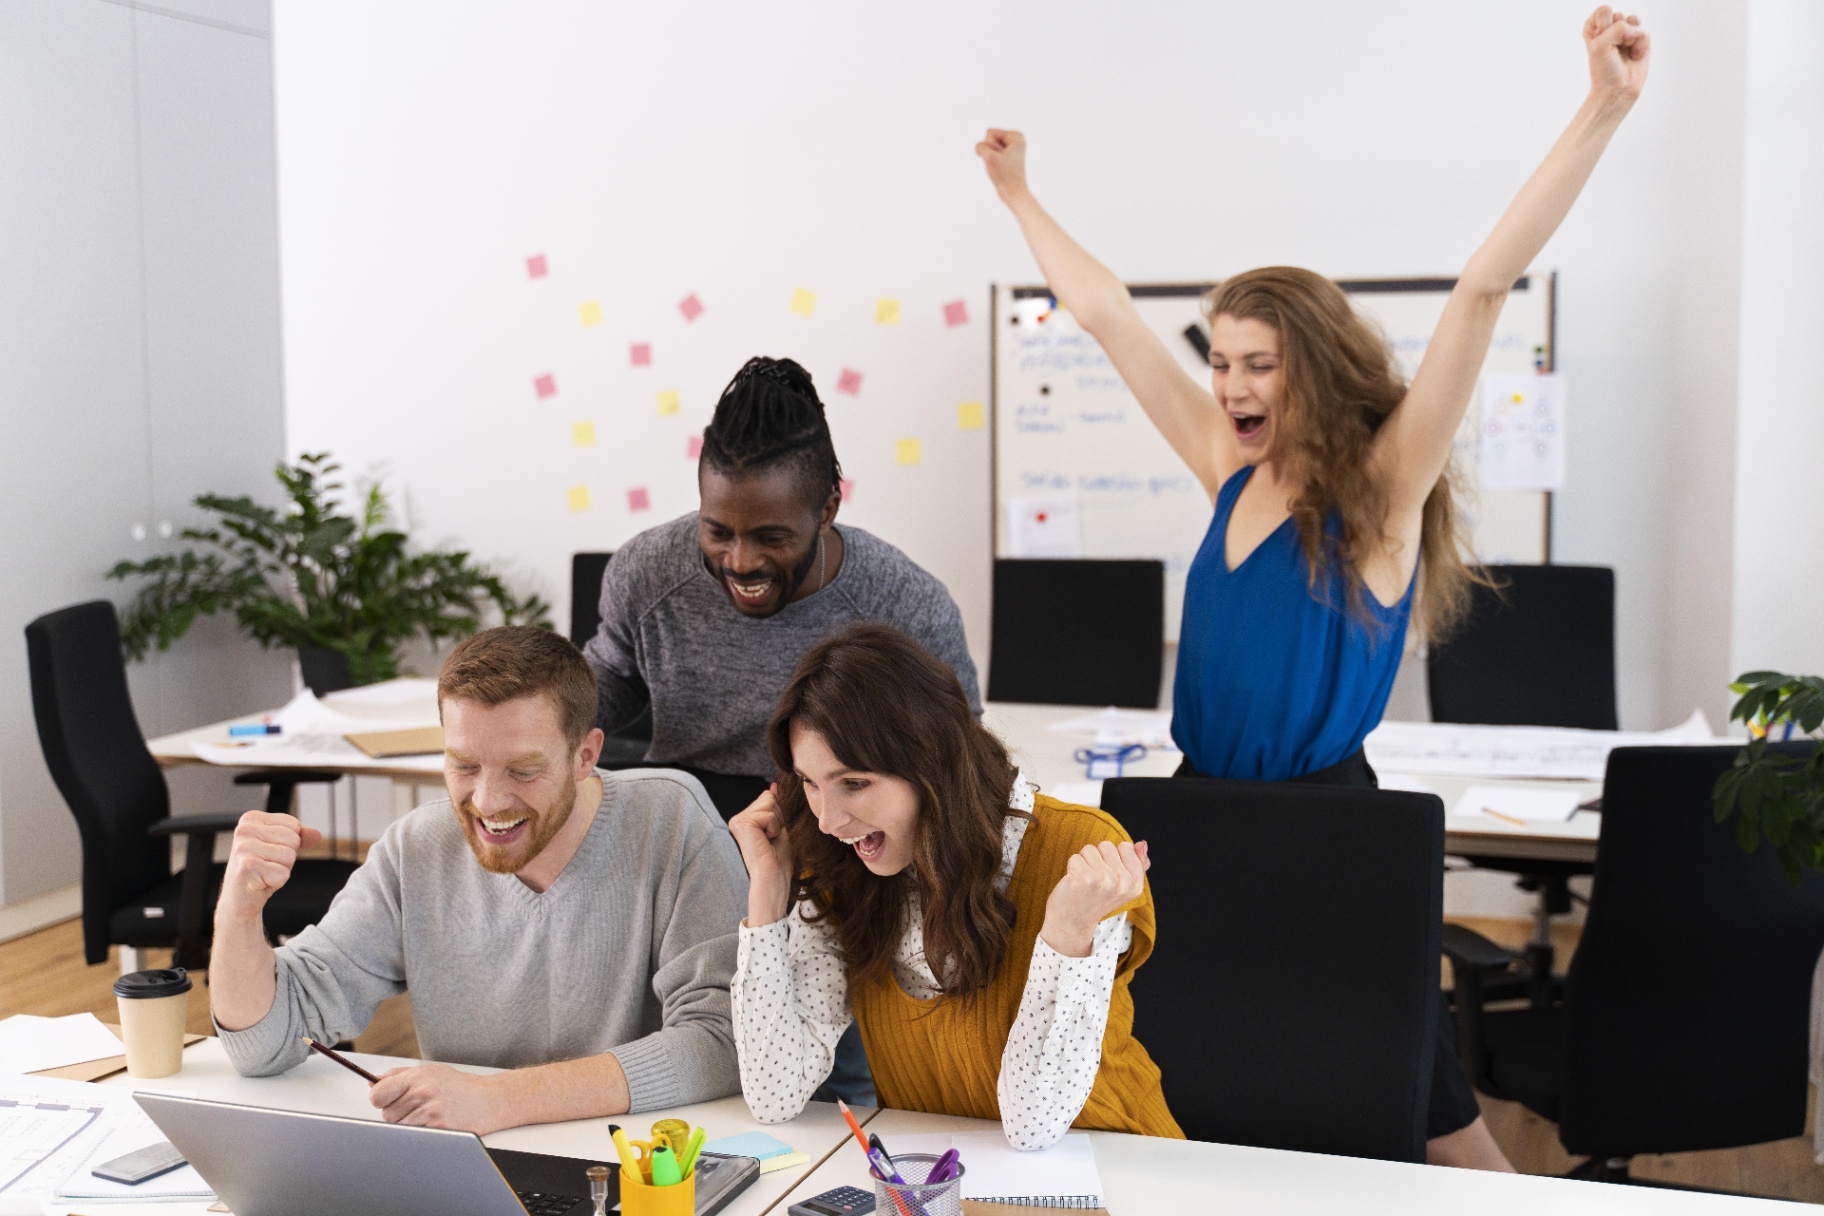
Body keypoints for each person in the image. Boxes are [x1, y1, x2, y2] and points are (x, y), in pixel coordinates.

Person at [976, 6, 1651, 1170]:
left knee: (1414, 1101)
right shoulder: (1224, 466)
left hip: (1330, 825)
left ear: (1315, 368)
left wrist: (1605, 103)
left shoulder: (1385, 494)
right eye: (1222, 362)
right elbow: (1105, 315)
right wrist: (1019, 194)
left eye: (1258, 366)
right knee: (1194, 1080)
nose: (1230, 385)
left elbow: (1484, 289)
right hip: (1197, 815)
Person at [209, 626, 748, 1134]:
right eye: (464, 765)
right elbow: (263, 1043)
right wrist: (236, 914)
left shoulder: (672, 822)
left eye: (523, 770)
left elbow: (720, 1040)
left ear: (585, 755)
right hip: (471, 1161)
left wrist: (500, 1099)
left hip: (639, 1164)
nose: (487, 802)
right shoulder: (413, 850)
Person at [728, 625, 1183, 1149]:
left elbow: (1033, 1127)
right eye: (810, 783)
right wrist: (767, 892)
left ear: (931, 763)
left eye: (854, 783)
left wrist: (1066, 932)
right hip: (940, 1181)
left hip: (1119, 1165)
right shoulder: (843, 863)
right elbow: (774, 1093)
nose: (827, 819)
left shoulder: (1080, 854)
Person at [583, 355, 981, 822]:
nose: (741, 562)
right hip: (688, 809)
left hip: (838, 819)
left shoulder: (904, 604)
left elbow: (960, 746)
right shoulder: (646, 570)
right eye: (717, 531)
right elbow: (614, 676)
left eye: (771, 538)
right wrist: (552, 720)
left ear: (827, 510)